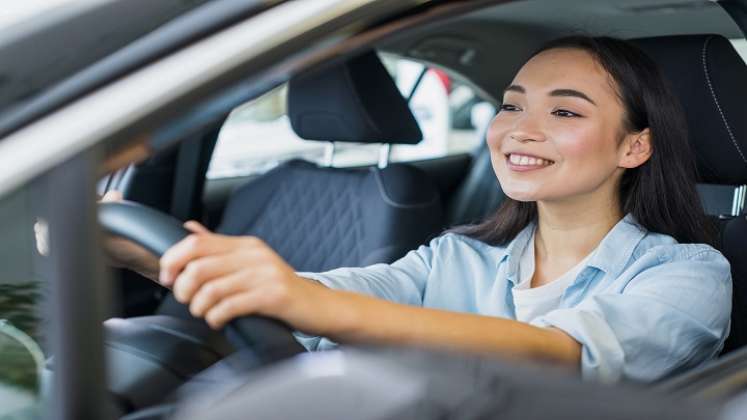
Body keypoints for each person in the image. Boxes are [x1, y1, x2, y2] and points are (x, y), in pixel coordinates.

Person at [105, 36, 731, 383]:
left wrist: (312, 304)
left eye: (563, 111)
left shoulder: (689, 274)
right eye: (512, 106)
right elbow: (332, 293)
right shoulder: (458, 255)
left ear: (634, 145)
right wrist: (149, 255)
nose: (518, 130)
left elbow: (563, 356)